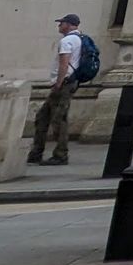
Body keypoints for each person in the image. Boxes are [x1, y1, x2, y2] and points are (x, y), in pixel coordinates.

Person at [26, 15, 83, 165]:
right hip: (70, 82)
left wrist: (58, 83)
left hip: (64, 83)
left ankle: (60, 155)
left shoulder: (67, 41)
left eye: (62, 23)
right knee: (42, 116)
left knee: (59, 118)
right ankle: (36, 153)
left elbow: (64, 63)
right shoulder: (80, 39)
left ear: (70, 25)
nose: (59, 26)